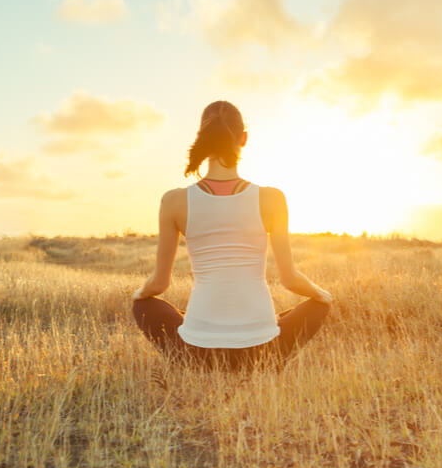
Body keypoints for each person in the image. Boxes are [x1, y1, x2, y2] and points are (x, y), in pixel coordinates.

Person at [131, 100, 332, 372]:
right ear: (244, 139)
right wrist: (322, 295)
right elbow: (290, 279)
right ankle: (262, 359)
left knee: (144, 305)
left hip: (197, 352)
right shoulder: (272, 198)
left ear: (201, 138)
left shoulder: (174, 201)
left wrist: (138, 294)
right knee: (316, 305)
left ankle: (192, 358)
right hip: (261, 352)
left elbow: (159, 284)